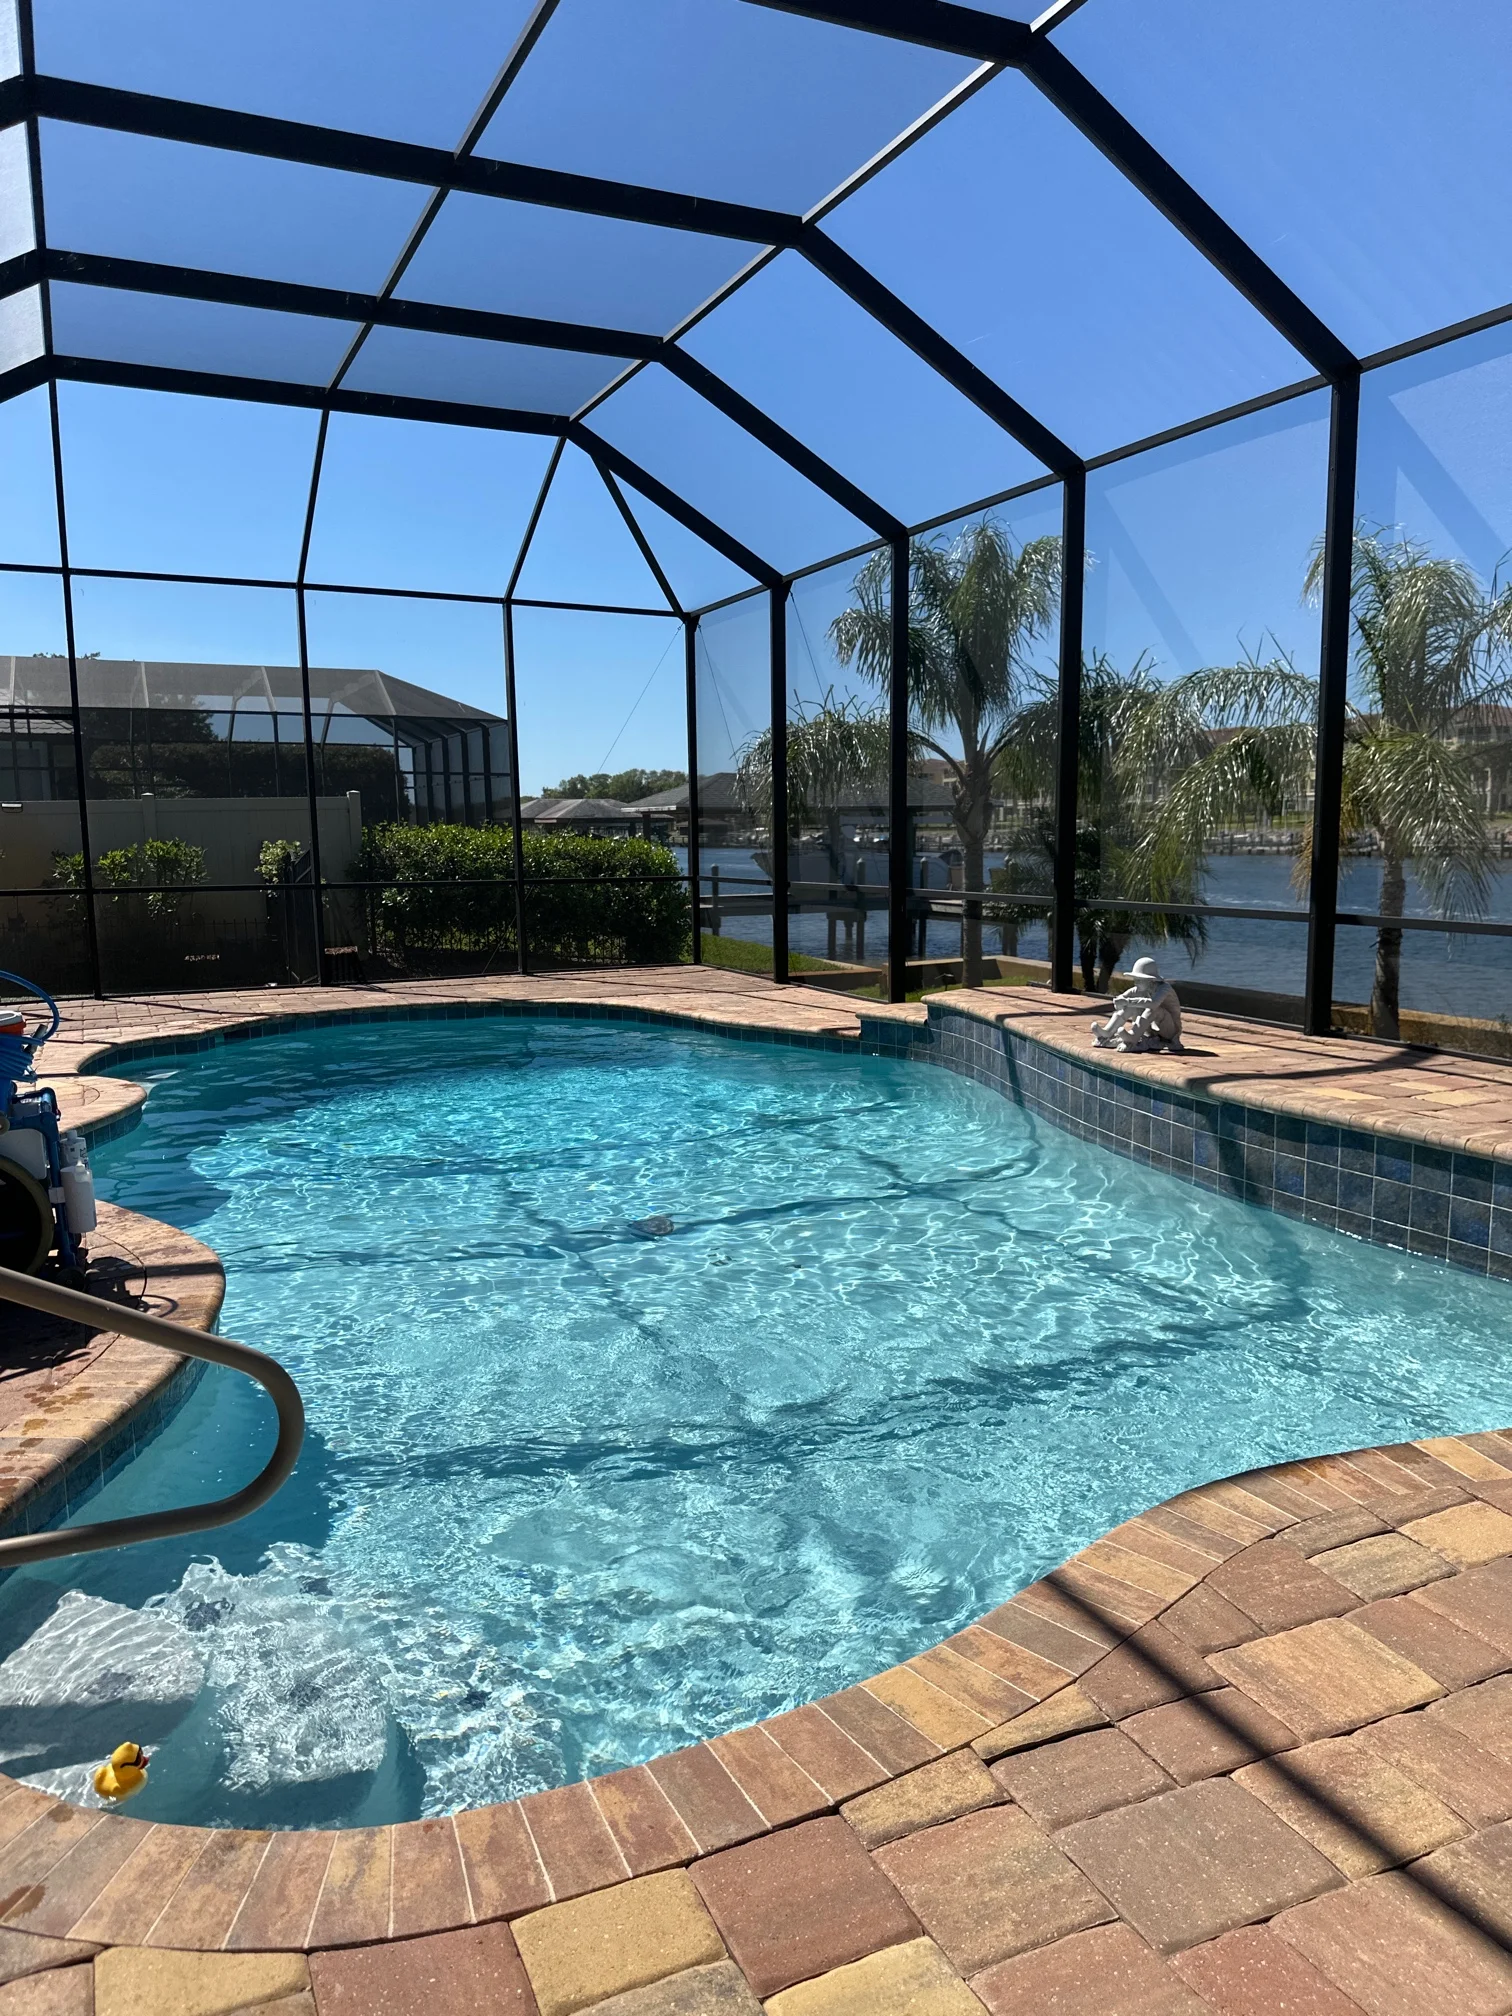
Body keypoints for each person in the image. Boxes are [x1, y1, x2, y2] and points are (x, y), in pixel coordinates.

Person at [1091, 956, 1184, 1053]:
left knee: (1152, 1009)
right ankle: (1108, 1032)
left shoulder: (1164, 988)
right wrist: (1119, 1001)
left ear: (1150, 980)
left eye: (1139, 980)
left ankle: (1133, 1037)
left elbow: (1153, 1003)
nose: (1135, 983)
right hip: (1151, 1030)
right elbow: (1123, 998)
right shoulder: (1141, 988)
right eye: (1135, 979)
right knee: (1131, 1006)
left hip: (1169, 1031)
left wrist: (1126, 1001)